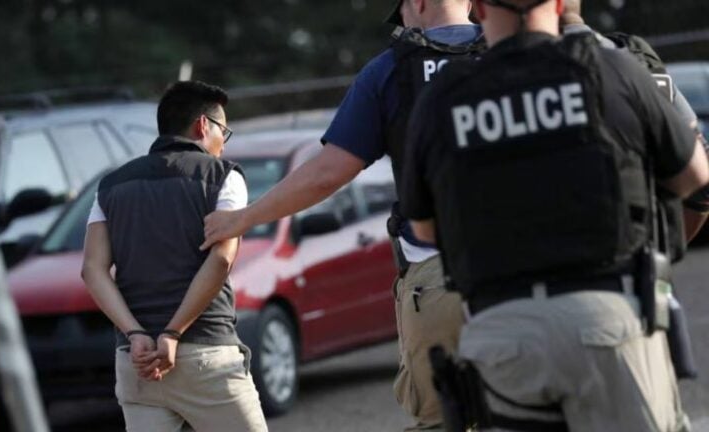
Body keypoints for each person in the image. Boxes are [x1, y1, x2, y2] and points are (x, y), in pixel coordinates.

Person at [401, 0, 709, 430]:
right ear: (561, 5)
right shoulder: (611, 69)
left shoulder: (443, 98)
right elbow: (694, 177)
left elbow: (423, 227)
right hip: (607, 319)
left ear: (481, 11)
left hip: (503, 333)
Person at [201, 1, 482, 429]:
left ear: (418, 4)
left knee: (444, 421)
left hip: (438, 278)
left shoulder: (390, 70)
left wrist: (243, 218)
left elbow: (327, 173)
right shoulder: (521, 55)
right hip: (530, 272)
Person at [81, 81, 267, 432]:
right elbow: (221, 260)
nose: (223, 143)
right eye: (223, 131)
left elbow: (93, 270)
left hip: (136, 361)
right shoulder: (224, 177)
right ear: (202, 126)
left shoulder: (110, 185)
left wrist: (135, 333)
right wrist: (172, 333)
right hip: (206, 353)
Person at [562, 0, 709, 248]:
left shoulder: (506, 77)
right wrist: (656, 253)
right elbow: (701, 186)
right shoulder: (633, 61)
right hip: (634, 269)